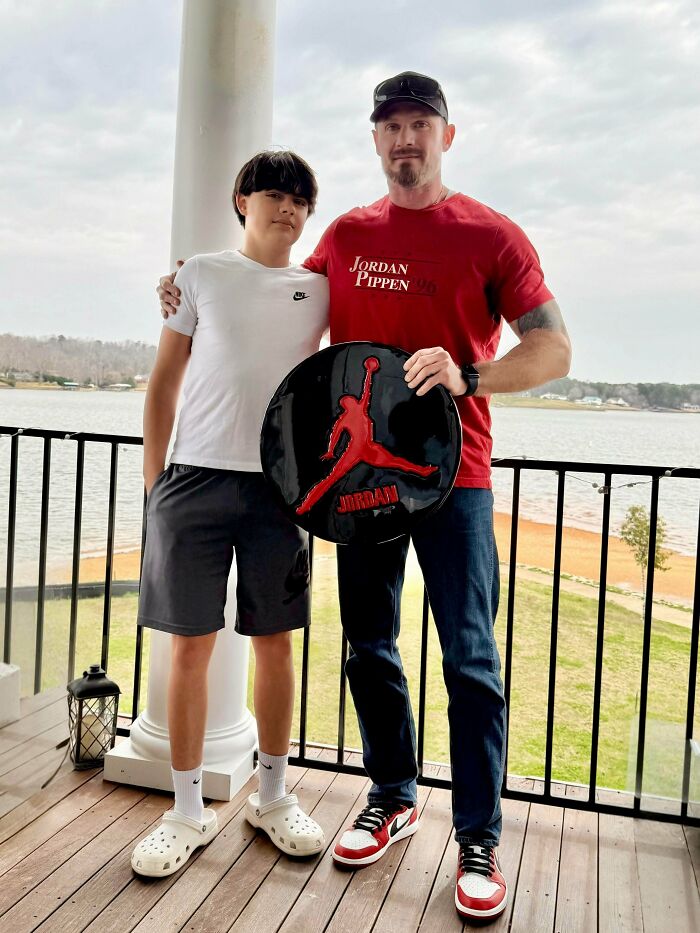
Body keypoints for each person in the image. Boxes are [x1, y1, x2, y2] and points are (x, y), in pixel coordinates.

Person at [158, 72, 571, 921]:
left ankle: (480, 836)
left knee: (469, 660)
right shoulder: (343, 235)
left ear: (446, 137)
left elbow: (555, 349)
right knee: (370, 645)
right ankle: (392, 793)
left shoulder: (493, 235)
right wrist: (182, 288)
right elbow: (267, 288)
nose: (406, 140)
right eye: (391, 128)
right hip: (359, 487)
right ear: (374, 141)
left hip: (454, 482)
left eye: (421, 125)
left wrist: (472, 375)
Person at [131, 150, 329, 878]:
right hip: (193, 484)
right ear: (242, 200)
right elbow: (162, 385)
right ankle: (186, 810)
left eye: (302, 198)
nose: (289, 207)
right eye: (275, 193)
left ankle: (272, 797)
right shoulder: (199, 275)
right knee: (189, 646)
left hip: (282, 492)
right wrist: (157, 490)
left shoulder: (322, 289)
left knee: (275, 644)